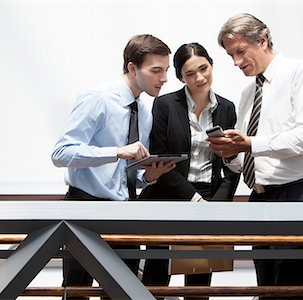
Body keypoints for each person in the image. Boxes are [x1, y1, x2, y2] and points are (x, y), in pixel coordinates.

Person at [208, 13, 303, 300]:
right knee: (267, 290)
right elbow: (249, 155)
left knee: (294, 292)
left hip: (298, 195)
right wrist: (228, 152)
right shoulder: (249, 92)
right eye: (230, 55)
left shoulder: (302, 72)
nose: (236, 62)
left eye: (240, 52)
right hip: (261, 198)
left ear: (262, 41)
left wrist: (250, 143)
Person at [51, 34, 176, 300]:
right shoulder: (97, 99)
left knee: (123, 292)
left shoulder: (143, 110)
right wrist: (116, 152)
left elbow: (126, 173)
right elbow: (61, 153)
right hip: (83, 209)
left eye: (166, 71)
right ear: (132, 68)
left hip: (124, 212)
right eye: (156, 70)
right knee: (77, 294)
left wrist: (148, 175)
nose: (164, 78)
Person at [138, 42, 240, 300]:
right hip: (170, 195)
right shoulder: (165, 105)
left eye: (203, 69)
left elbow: (232, 164)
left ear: (212, 65)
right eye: (190, 74)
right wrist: (195, 199)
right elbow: (160, 160)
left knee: (199, 276)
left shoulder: (226, 108)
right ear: (180, 77)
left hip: (210, 196)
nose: (200, 78)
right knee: (156, 274)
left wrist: (217, 204)